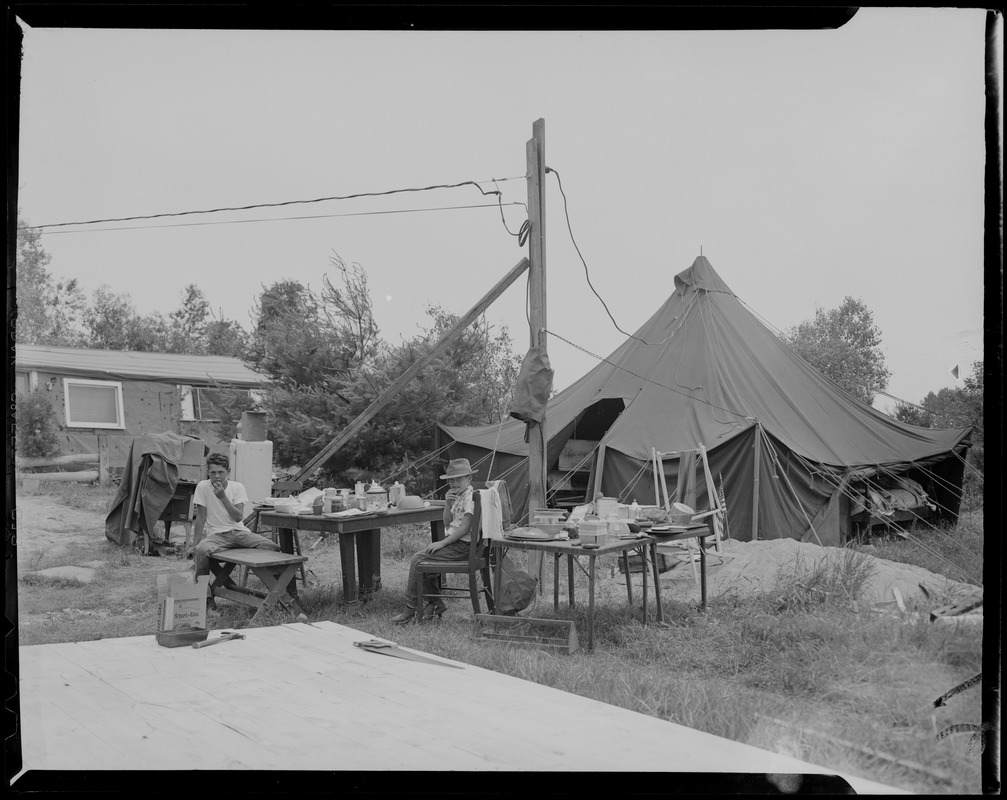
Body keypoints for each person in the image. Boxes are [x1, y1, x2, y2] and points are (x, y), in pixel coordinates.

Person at [390, 458, 476, 624]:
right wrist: (447, 504)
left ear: (469, 479)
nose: (455, 483)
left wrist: (443, 543)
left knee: (418, 558)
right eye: (452, 479)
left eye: (460, 479)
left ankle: (411, 607)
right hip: (458, 543)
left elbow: (464, 528)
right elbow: (447, 522)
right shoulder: (459, 496)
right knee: (427, 555)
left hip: (464, 546)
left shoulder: (470, 497)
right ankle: (435, 602)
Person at [192, 452, 280, 581]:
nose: (217, 476)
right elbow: (200, 517)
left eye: (221, 472)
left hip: (239, 533)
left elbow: (238, 517)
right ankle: (205, 595)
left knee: (271, 547)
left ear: (228, 471)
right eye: (213, 472)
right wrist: (195, 544)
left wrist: (223, 497)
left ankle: (276, 588)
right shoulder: (203, 486)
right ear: (208, 472)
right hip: (217, 536)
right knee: (201, 550)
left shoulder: (237, 487)